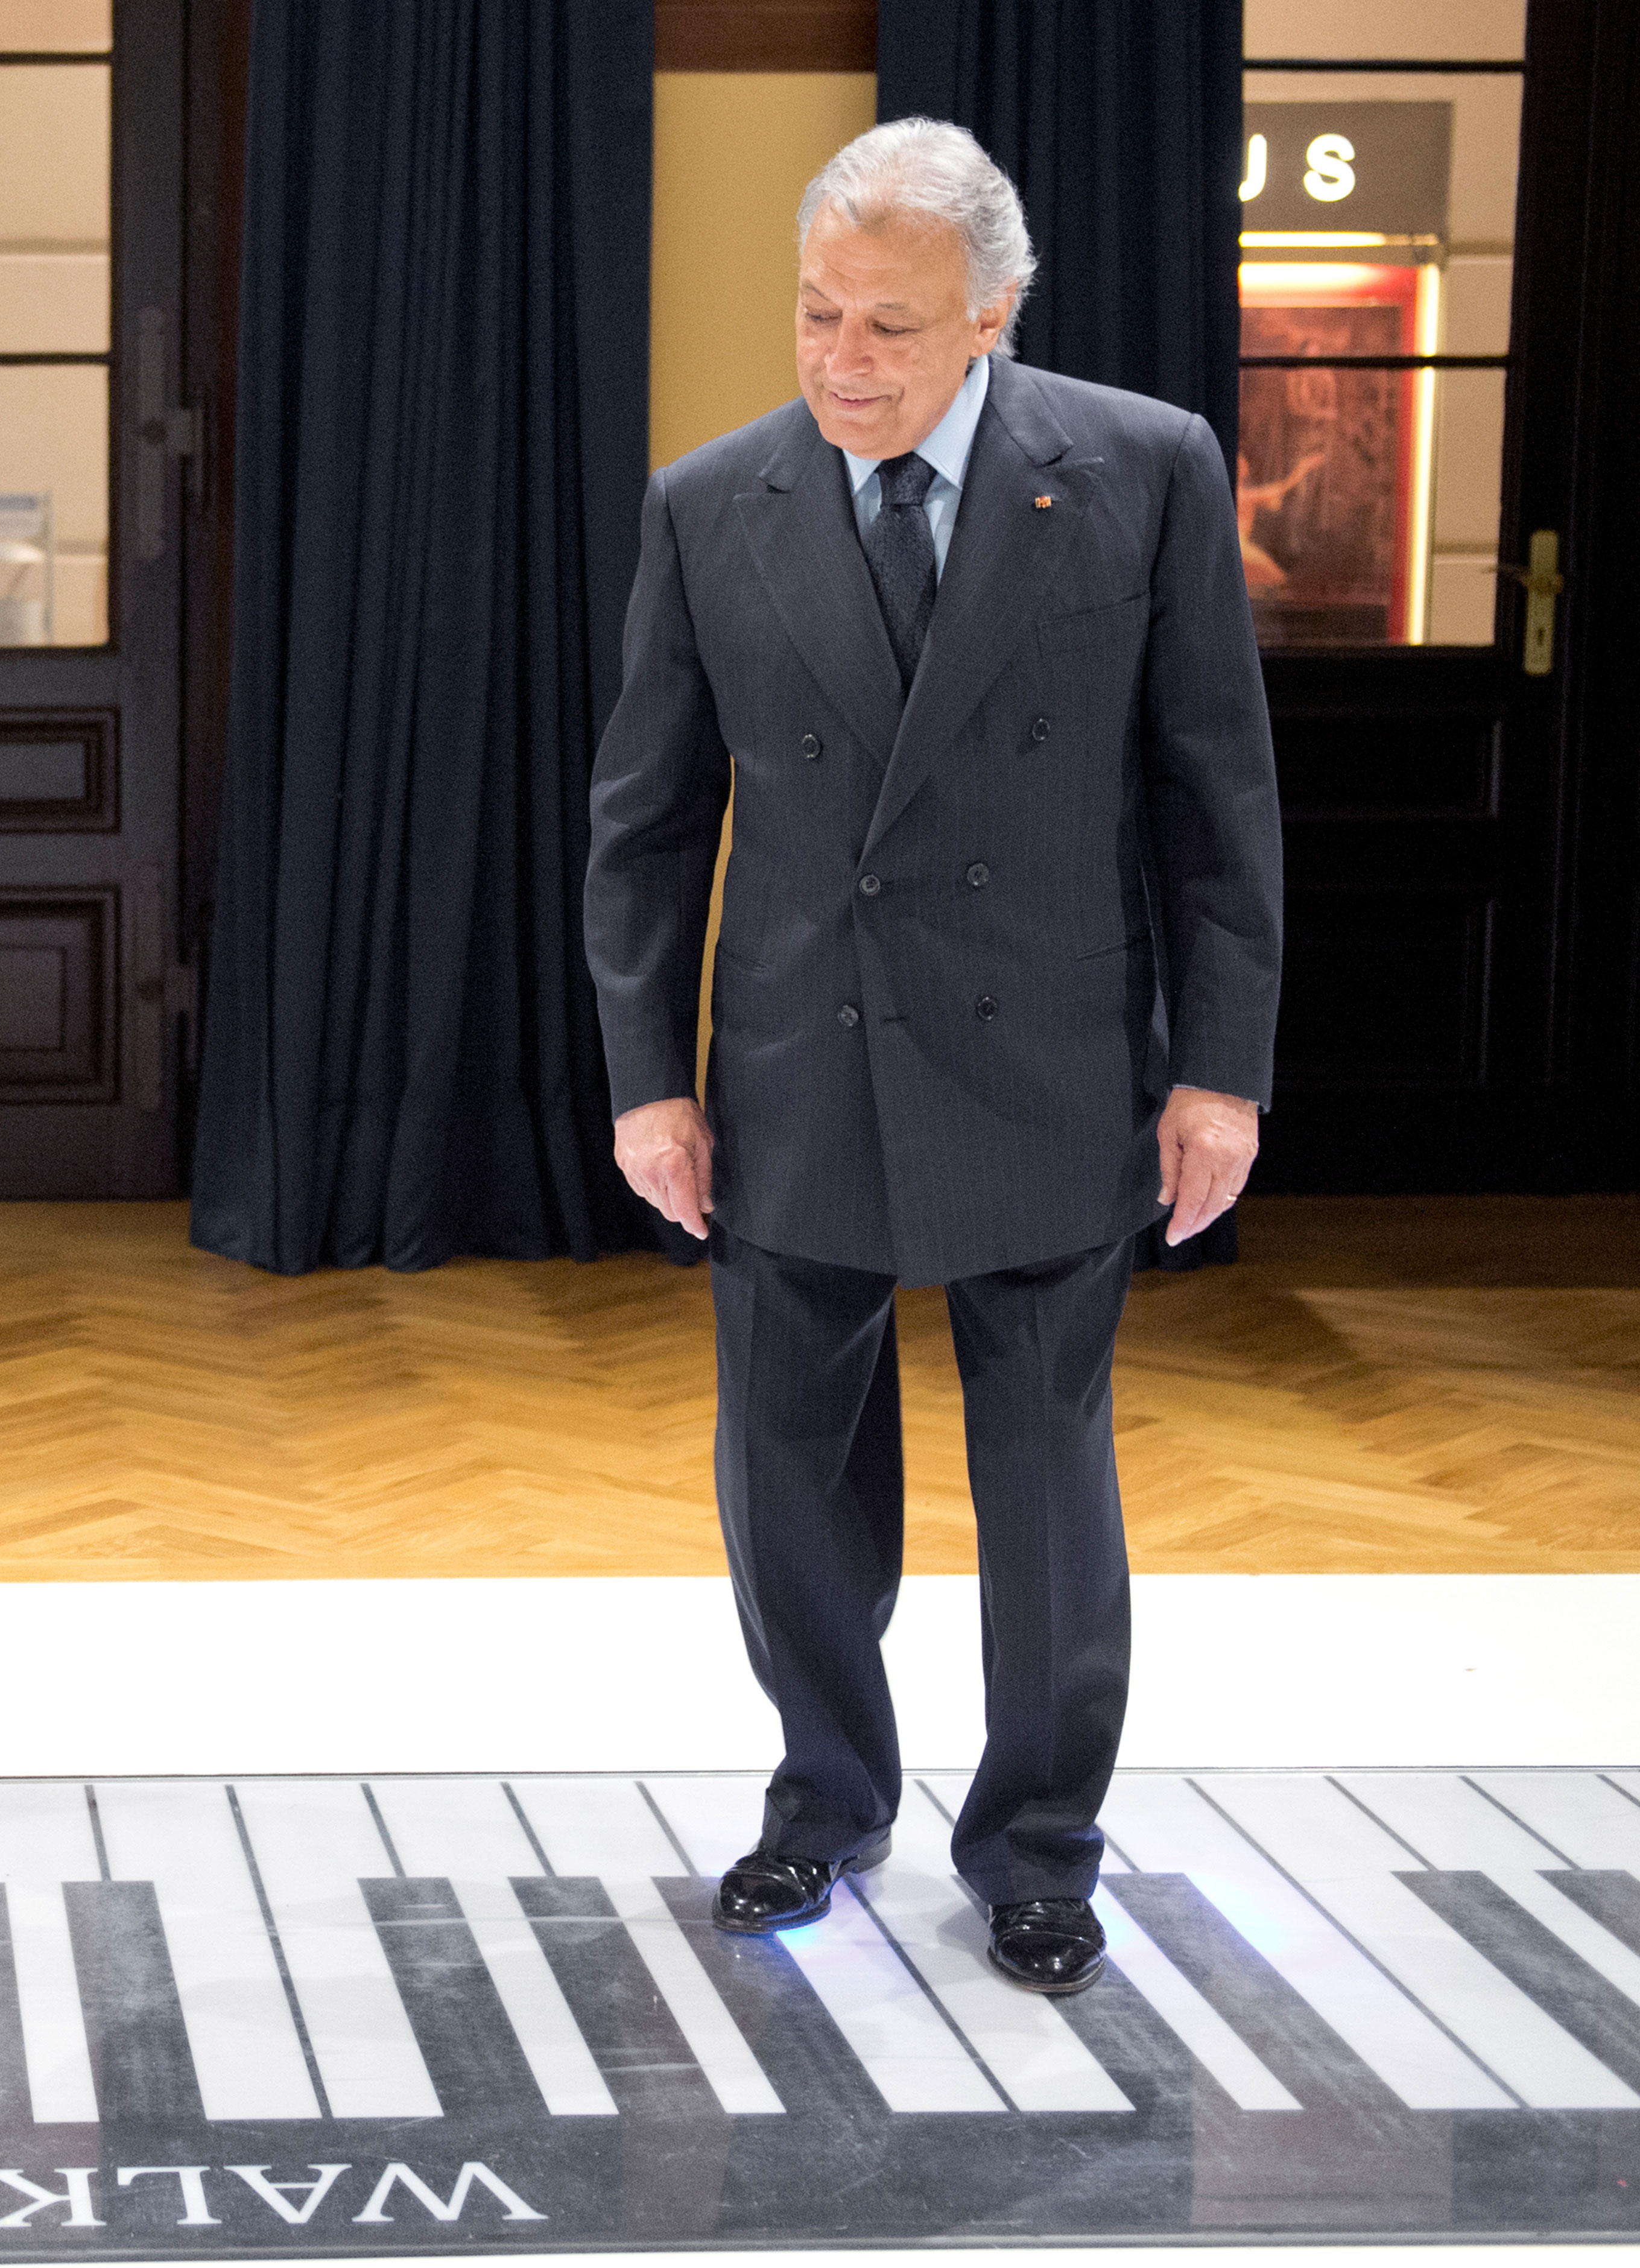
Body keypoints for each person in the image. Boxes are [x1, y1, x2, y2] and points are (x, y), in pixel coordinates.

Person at [583, 119, 1281, 1995]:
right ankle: (824, 1801)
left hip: (1052, 1057)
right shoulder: (707, 501)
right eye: (817, 313)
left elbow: (1219, 801)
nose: (843, 360)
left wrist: (1221, 1070)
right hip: (795, 1065)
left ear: (995, 314)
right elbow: (641, 825)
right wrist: (649, 1075)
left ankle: (1043, 1843)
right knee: (787, 1473)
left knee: (1049, 1480)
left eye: (889, 324)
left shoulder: (1141, 472)